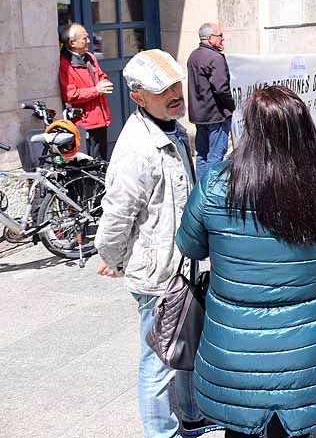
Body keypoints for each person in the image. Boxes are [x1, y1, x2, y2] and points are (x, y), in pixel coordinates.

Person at [175, 86, 316, 438]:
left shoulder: (216, 185)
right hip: (303, 343)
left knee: (238, 430)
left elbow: (189, 246)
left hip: (235, 343)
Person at [94, 49, 220, 438]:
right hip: (157, 271)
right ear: (138, 97)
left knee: (186, 344)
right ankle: (160, 432)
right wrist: (113, 260)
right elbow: (116, 216)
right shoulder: (137, 147)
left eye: (176, 85)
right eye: (163, 90)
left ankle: (192, 414)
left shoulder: (175, 129)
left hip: (180, 262)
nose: (175, 94)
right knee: (158, 359)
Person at [187, 23, 236, 177]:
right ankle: (209, 193)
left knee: (202, 155)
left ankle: (200, 193)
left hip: (199, 115)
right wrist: (231, 106)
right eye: (220, 36)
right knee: (215, 156)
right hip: (216, 115)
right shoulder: (215, 58)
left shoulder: (193, 55)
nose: (223, 39)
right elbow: (221, 89)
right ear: (209, 38)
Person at [58, 22, 113, 160]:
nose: (89, 41)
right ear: (72, 43)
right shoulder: (65, 64)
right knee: (89, 162)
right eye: (84, 38)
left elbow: (100, 75)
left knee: (101, 160)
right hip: (85, 123)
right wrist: (97, 90)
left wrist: (104, 81)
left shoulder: (90, 57)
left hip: (100, 118)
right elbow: (70, 95)